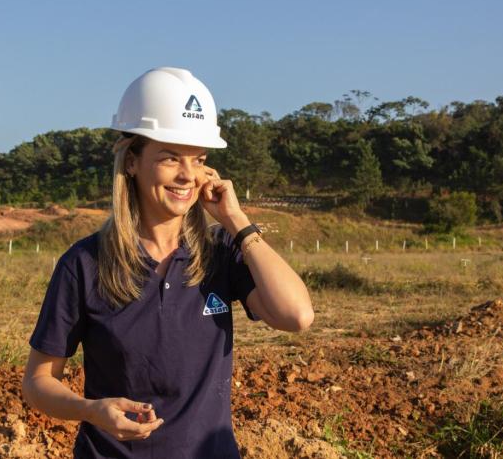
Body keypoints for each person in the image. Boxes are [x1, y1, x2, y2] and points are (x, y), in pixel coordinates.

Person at [21, 67, 314, 458]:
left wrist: (236, 221)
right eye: (171, 157)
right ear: (131, 162)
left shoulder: (221, 252)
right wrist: (90, 410)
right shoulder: (86, 263)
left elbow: (296, 316)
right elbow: (39, 380)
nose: (187, 175)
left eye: (198, 160)